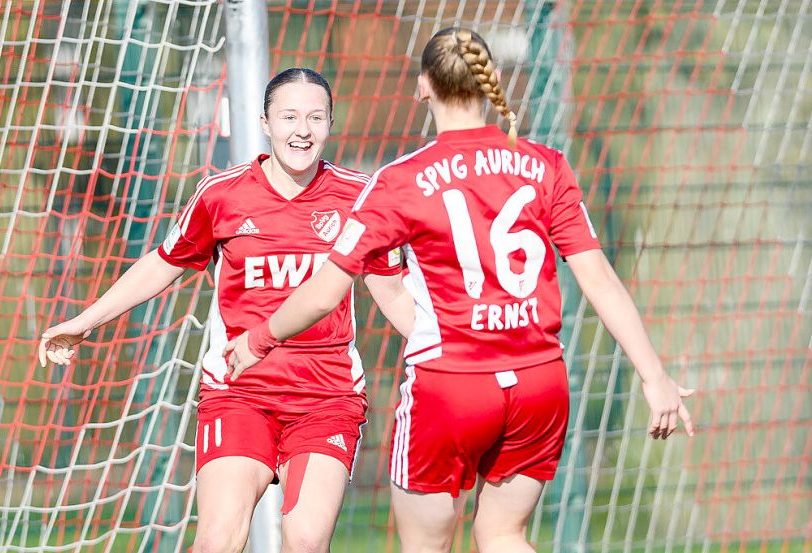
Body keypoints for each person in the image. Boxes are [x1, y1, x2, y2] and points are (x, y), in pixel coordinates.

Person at [225, 29, 695, 553]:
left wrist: (257, 338)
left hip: (451, 384)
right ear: (487, 79)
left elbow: (323, 294)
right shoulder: (546, 165)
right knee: (502, 535)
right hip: (539, 382)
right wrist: (654, 376)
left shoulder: (402, 180)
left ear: (424, 86)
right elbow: (599, 278)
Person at [38, 67, 412, 553]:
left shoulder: (360, 198)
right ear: (263, 122)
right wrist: (83, 323)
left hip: (327, 396)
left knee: (305, 539)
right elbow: (162, 264)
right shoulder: (223, 194)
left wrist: (459, 353)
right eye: (289, 116)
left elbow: (395, 295)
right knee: (217, 540)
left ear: (330, 124)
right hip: (240, 393)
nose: (303, 130)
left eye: (315, 117)